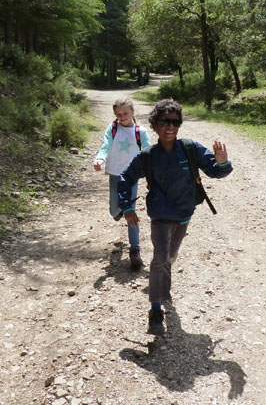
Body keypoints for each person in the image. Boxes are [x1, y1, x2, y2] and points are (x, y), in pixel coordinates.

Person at [117, 97, 233, 335]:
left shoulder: (190, 149)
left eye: (175, 122)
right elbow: (125, 178)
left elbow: (216, 171)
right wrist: (127, 208)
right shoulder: (148, 156)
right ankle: (155, 310)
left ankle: (162, 284)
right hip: (159, 216)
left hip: (183, 215)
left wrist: (223, 163)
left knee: (170, 256)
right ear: (154, 125)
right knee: (160, 257)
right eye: (165, 121)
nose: (170, 127)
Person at [93, 97, 152, 269]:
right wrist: (100, 159)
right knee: (114, 210)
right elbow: (105, 146)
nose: (122, 117)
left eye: (125, 113)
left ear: (132, 112)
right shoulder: (112, 129)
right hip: (114, 174)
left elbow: (148, 152)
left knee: (130, 212)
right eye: (118, 114)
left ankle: (135, 250)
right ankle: (119, 211)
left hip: (132, 177)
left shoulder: (140, 132)